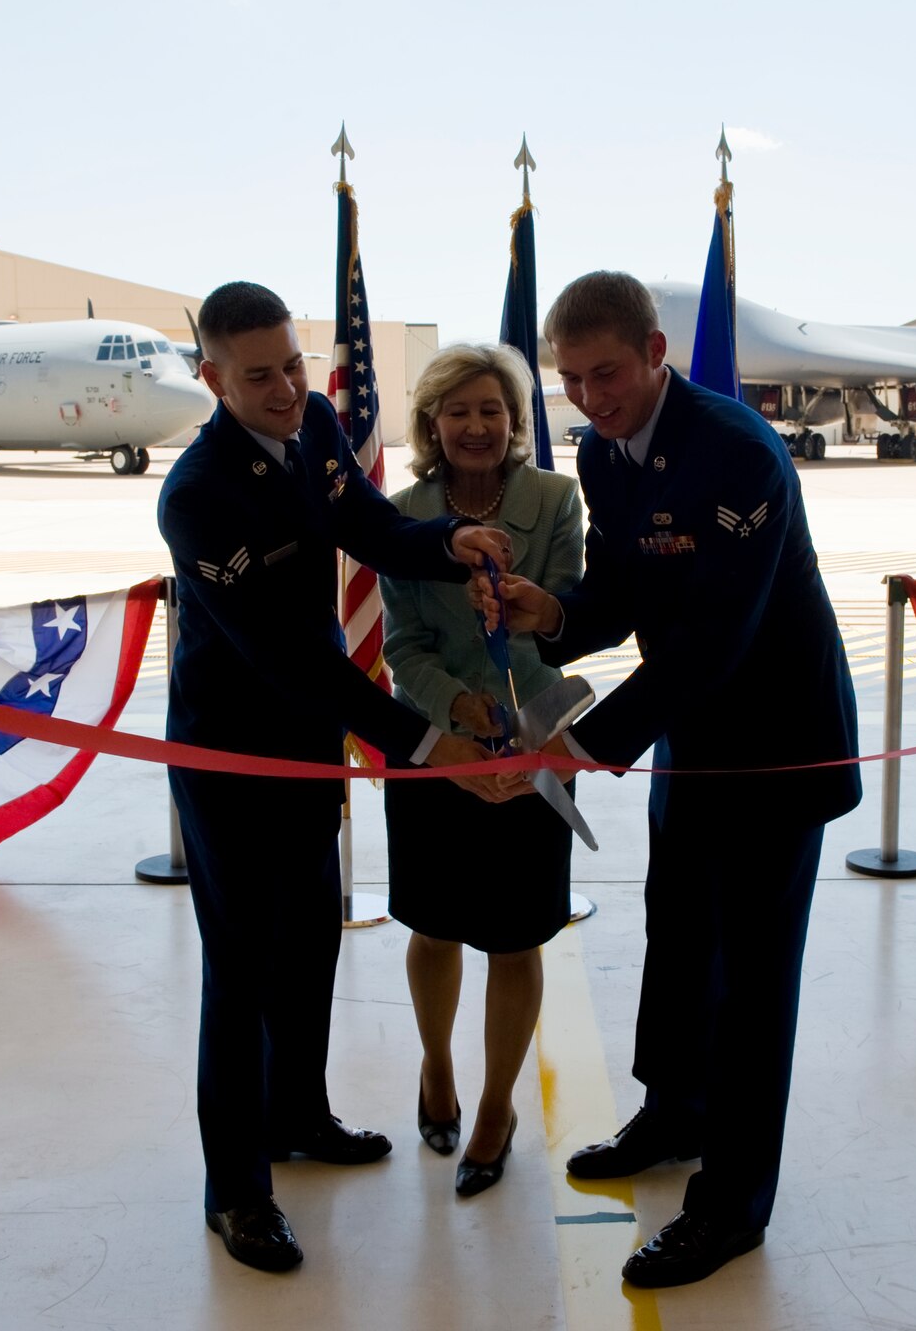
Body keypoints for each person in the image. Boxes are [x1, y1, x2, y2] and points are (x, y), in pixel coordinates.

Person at [477, 270, 862, 1286]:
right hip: (694, 735)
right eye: (570, 380)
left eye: (605, 372)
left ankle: (731, 1203)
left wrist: (588, 742)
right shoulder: (608, 453)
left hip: (777, 745)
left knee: (750, 979)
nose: (591, 398)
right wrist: (551, 614)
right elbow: (621, 586)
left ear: (654, 352)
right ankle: (675, 1113)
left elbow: (710, 638)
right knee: (680, 932)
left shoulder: (737, 453)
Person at [156, 282, 522, 1273]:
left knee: (311, 934)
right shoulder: (196, 496)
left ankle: (298, 1115)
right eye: (258, 375)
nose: (285, 390)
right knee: (238, 973)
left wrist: (448, 543)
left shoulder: (315, 422)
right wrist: (417, 742)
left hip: (307, 744)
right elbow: (288, 658)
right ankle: (235, 1191)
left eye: (291, 365)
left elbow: (368, 525)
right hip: (229, 760)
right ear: (213, 378)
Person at [382, 343, 585, 1198]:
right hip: (439, 746)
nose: (476, 426)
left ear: (514, 421)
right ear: (433, 423)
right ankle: (436, 1068)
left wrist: (527, 609)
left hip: (536, 738)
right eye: (458, 411)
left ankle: (498, 1104)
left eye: (492, 411)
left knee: (516, 934)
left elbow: (574, 617)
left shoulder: (554, 499)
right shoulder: (400, 515)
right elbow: (403, 647)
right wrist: (458, 716)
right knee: (434, 927)